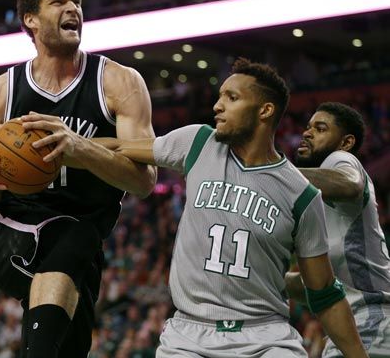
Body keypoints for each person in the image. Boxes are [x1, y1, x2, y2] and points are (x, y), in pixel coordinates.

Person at [97, 58, 368, 357]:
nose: (217, 105)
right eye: (220, 96)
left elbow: (325, 294)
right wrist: (69, 144)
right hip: (189, 334)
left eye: (232, 97)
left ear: (265, 111)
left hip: (266, 337)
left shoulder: (302, 194)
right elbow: (122, 147)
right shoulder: (199, 142)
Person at [0, 0, 156, 358]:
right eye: (59, 2)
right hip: (10, 231)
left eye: (77, 2)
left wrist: (78, 149)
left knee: (69, 344)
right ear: (31, 21)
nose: (73, 8)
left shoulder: (119, 82)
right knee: (78, 236)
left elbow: (144, 181)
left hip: (77, 248)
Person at [287, 102, 390, 357]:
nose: (307, 133)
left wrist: (277, 175)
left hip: (373, 327)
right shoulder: (316, 203)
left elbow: (350, 183)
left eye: (320, 129)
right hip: (349, 333)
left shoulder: (339, 159)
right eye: (308, 127)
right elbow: (318, 286)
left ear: (345, 142)